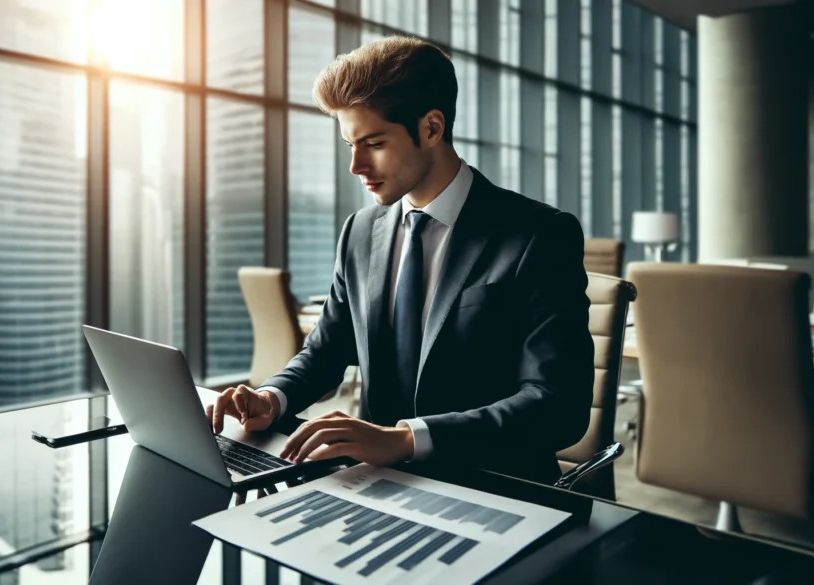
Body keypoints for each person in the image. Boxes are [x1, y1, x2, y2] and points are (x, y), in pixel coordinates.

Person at [206, 36, 593, 484]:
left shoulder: (538, 235)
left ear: (431, 128)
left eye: (372, 143)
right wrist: (272, 398)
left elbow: (557, 406)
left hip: (493, 485)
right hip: (372, 484)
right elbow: (326, 350)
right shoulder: (360, 232)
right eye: (350, 144)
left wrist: (407, 438)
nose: (355, 165)